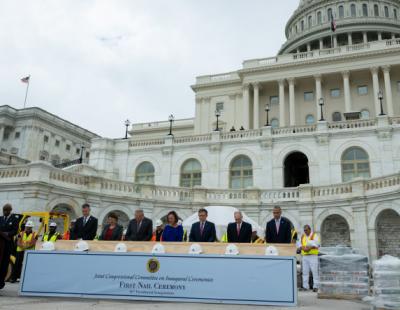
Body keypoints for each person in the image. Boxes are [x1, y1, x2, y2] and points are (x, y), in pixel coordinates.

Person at [0, 204, 19, 289]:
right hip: (0, 244)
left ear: (10, 211)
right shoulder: (0, 219)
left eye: (6, 211)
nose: (4, 212)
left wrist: (7, 234)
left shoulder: (14, 220)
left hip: (7, 244)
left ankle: (1, 282)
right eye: (4, 211)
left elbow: (15, 231)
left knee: (4, 264)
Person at [297, 225, 320, 292]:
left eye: (306, 230)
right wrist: (301, 248)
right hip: (305, 256)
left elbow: (317, 244)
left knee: (314, 271)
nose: (305, 232)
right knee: (305, 272)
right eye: (304, 230)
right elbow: (299, 244)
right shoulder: (303, 236)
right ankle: (305, 286)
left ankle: (316, 286)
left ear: (310, 229)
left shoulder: (314, 236)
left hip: (313, 256)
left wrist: (310, 248)